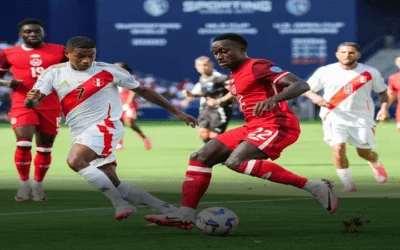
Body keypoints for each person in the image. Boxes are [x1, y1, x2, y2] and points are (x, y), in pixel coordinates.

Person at [145, 33, 338, 230]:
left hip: (277, 124)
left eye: (224, 51)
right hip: (252, 126)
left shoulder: (258, 66)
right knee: (200, 157)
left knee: (236, 162)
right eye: (216, 53)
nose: (219, 56)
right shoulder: (234, 75)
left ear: (242, 50)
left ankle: (315, 186)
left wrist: (274, 99)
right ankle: (184, 215)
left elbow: (301, 84)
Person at [25, 36, 198, 220]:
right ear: (67, 54)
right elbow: (34, 103)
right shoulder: (53, 73)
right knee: (113, 181)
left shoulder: (110, 71)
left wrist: (178, 112)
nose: (86, 60)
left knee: (75, 160)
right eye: (80, 56)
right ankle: (168, 210)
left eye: (91, 56)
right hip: (79, 131)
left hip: (106, 125)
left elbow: (145, 91)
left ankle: (119, 204)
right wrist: (30, 100)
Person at [304, 42, 389, 192]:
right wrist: (314, 97)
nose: (347, 55)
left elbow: (382, 92)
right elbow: (307, 89)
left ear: (358, 55)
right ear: (337, 54)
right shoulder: (325, 71)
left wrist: (383, 108)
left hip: (362, 118)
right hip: (333, 116)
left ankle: (375, 161)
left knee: (364, 153)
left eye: (351, 52)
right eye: (343, 52)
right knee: (338, 147)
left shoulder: (370, 72)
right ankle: (348, 184)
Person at [0, 18, 66, 202]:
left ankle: (37, 185)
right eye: (28, 32)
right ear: (21, 35)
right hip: (22, 101)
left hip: (51, 103)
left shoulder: (60, 51)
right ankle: (23, 185)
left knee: (45, 149)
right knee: (24, 142)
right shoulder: (8, 53)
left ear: (43, 33)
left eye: (37, 31)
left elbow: (77, 69)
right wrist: (6, 82)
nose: (33, 34)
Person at [181, 56, 234, 143]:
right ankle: (213, 152)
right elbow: (207, 93)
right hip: (206, 109)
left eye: (205, 65)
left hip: (220, 109)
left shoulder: (220, 77)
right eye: (200, 65)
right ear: (196, 67)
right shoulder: (202, 78)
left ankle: (222, 153)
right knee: (203, 133)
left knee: (214, 136)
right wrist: (193, 95)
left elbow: (234, 91)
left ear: (211, 65)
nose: (203, 67)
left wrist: (218, 101)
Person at [114, 62, 151, 150]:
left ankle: (145, 138)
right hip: (119, 104)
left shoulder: (131, 78)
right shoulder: (115, 78)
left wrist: (128, 102)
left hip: (129, 104)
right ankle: (119, 144)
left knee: (130, 123)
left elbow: (134, 91)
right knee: (117, 124)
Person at [387, 55, 400, 130]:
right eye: (399, 61)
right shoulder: (393, 78)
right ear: (396, 63)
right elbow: (390, 96)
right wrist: (384, 109)